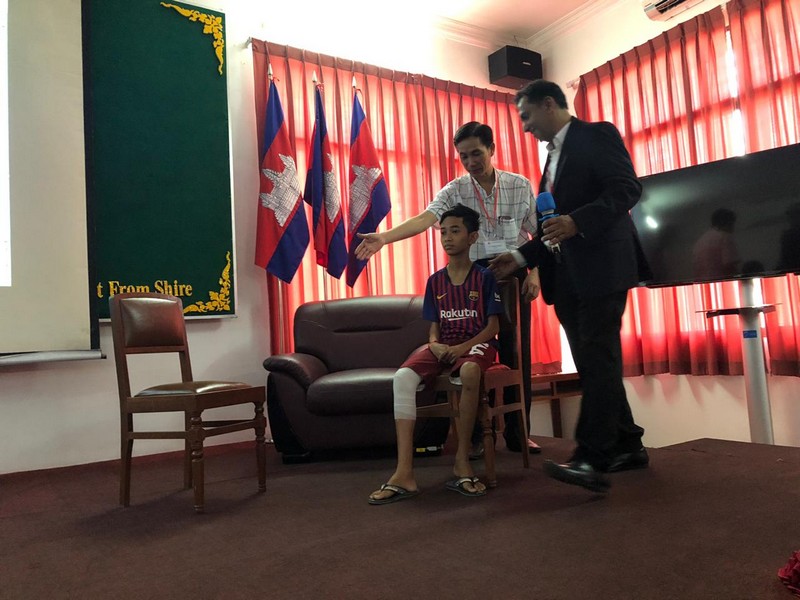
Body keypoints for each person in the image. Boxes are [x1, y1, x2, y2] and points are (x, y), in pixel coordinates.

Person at [490, 79, 653, 493]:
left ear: (549, 104)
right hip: (567, 279)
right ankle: (628, 444)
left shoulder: (597, 135)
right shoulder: (550, 160)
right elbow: (552, 228)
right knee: (595, 363)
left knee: (598, 358)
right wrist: (521, 257)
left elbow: (627, 188)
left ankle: (590, 459)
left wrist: (578, 221)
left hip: (603, 269)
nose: (525, 126)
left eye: (526, 116)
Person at [355, 121, 541, 456]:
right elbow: (425, 219)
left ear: (492, 149)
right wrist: (384, 237)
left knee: (516, 353)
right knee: (472, 353)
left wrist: (535, 274)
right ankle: (475, 437)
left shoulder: (519, 185)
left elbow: (537, 234)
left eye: (476, 154)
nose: (471, 162)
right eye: (463, 156)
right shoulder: (455, 190)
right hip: (473, 274)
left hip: (514, 271)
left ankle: (519, 434)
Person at [368, 204, 503, 504]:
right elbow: (434, 329)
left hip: (475, 344)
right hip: (444, 344)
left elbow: (492, 327)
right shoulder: (435, 281)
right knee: (402, 377)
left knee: (469, 370)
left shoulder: (484, 277)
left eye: (455, 231)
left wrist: (462, 348)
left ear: (472, 237)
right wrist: (434, 344)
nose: (447, 238)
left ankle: (462, 461)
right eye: (443, 232)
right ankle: (404, 473)